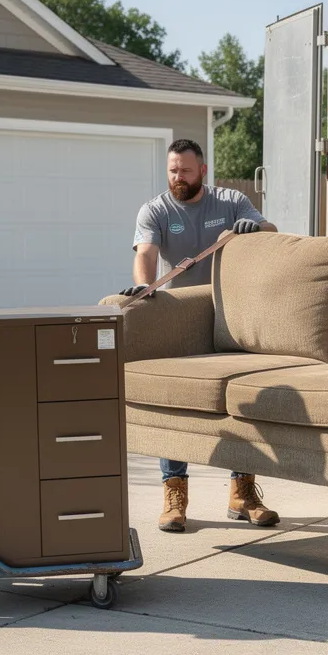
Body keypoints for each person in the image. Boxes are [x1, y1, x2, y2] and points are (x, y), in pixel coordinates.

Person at [120, 138, 282, 533]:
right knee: (175, 401)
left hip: (230, 313)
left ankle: (242, 493)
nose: (178, 177)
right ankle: (174, 496)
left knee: (242, 401)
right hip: (180, 316)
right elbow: (145, 253)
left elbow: (272, 230)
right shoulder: (156, 209)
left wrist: (255, 230)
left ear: (203, 171)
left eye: (186, 171)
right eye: (173, 170)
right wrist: (145, 288)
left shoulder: (229, 201)